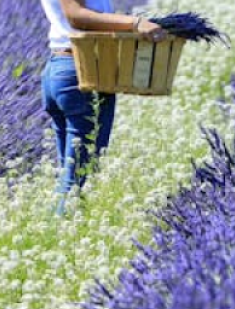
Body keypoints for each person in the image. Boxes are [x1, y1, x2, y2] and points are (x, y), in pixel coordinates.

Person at [40, 0, 167, 215]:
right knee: (77, 180)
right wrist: (135, 23)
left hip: (64, 67)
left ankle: (59, 232)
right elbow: (76, 16)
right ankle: (60, 233)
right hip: (82, 71)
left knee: (71, 179)